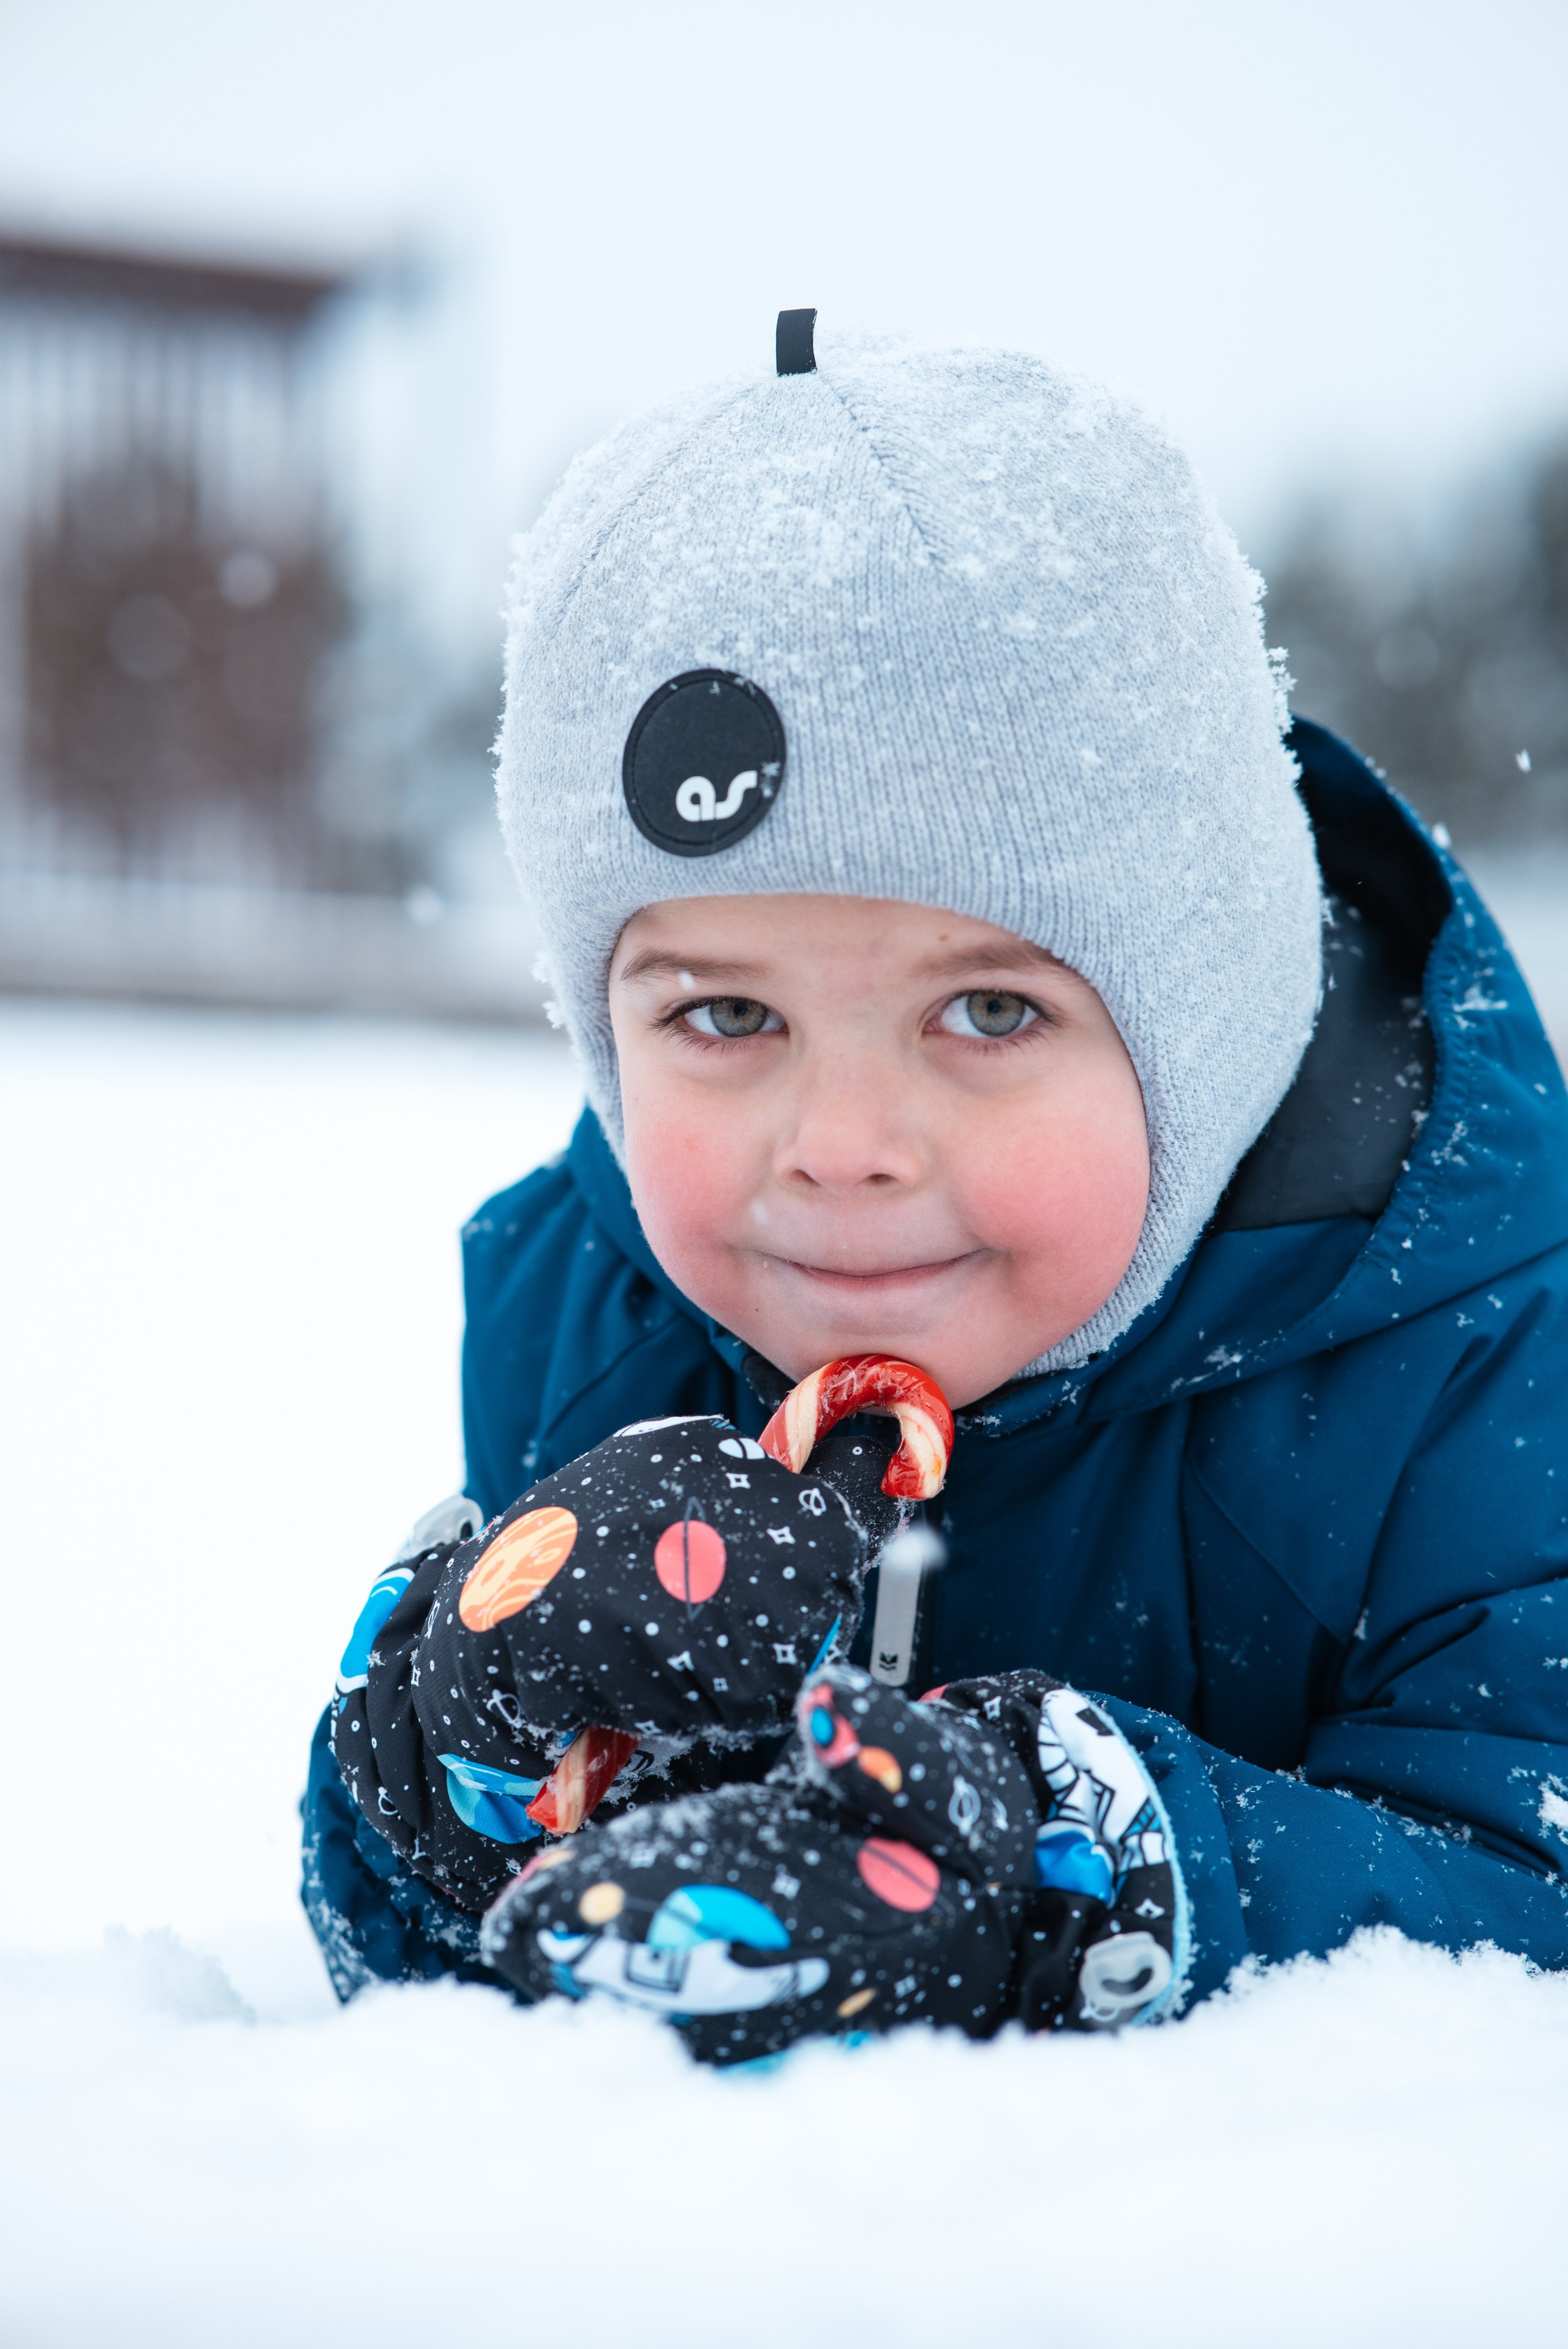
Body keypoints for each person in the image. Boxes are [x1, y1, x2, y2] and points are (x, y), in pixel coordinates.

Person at [302, 312, 1568, 2057]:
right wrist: (464, 1779)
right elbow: (462, 2003)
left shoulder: (1482, 1366)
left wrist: (1092, 1876)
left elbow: (1534, 1905)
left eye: (988, 1010)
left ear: (1203, 1012)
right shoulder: (601, 1328)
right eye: (727, 1013)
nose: (841, 1142)